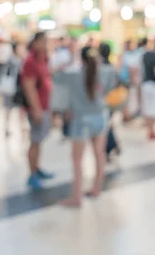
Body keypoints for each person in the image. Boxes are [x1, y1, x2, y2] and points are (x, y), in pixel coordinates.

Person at [57, 46, 117, 207]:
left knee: (77, 159)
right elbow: (112, 89)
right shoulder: (106, 71)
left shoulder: (72, 74)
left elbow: (56, 79)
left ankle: (76, 196)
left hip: (81, 119)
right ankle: (97, 188)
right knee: (100, 154)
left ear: (80, 58)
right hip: (100, 117)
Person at [21, 32, 54, 190]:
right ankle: (32, 174)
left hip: (45, 105)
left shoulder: (43, 60)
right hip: (37, 108)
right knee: (35, 140)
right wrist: (36, 109)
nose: (46, 44)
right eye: (43, 41)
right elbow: (29, 87)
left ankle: (37, 168)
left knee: (39, 140)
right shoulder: (30, 62)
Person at [0, 43, 25, 137]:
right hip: (12, 88)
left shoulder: (17, 60)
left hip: (16, 88)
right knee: (9, 109)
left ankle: (19, 127)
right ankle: (8, 127)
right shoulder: (14, 60)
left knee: (18, 109)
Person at [99, 42, 121, 160]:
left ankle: (111, 146)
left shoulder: (100, 68)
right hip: (111, 100)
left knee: (105, 125)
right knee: (107, 123)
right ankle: (113, 146)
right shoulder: (112, 67)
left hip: (103, 101)